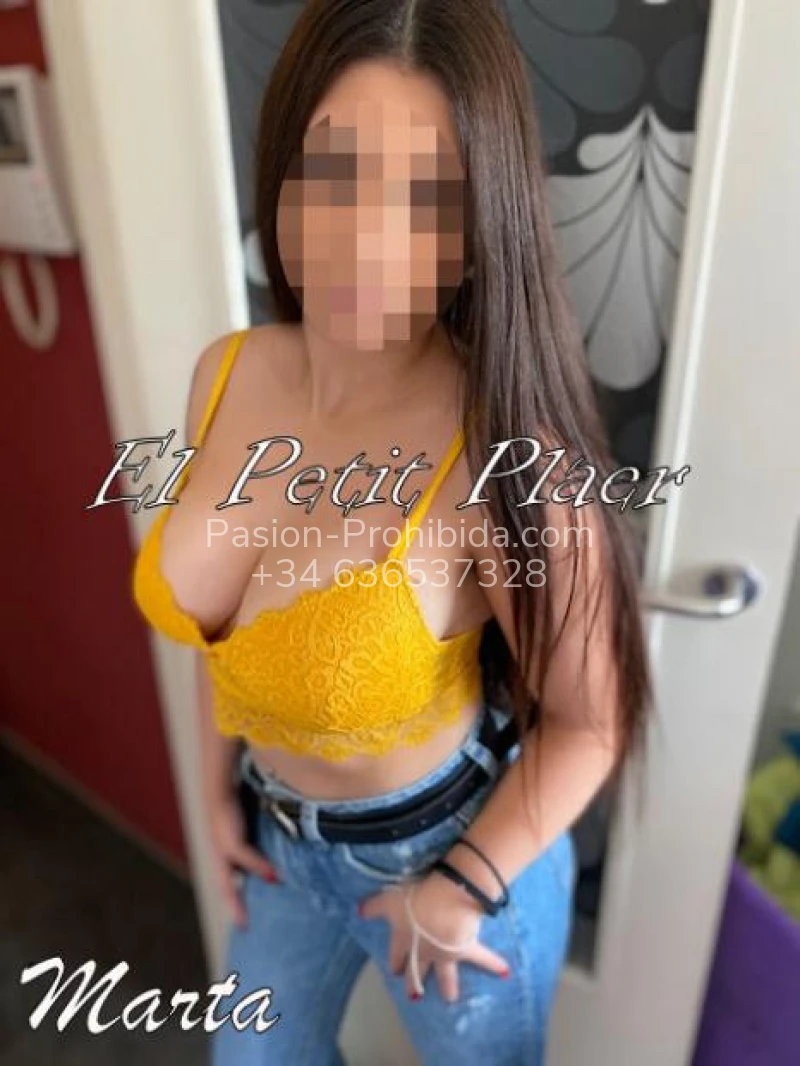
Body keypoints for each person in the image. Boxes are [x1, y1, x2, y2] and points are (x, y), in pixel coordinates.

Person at [132, 0, 651, 1062]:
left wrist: (461, 884)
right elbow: (217, 623)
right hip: (276, 842)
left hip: (448, 860)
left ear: (480, 227)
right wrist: (214, 792)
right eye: (333, 171)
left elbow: (592, 721)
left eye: (427, 196)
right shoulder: (226, 374)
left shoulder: (502, 447)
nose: (365, 238)